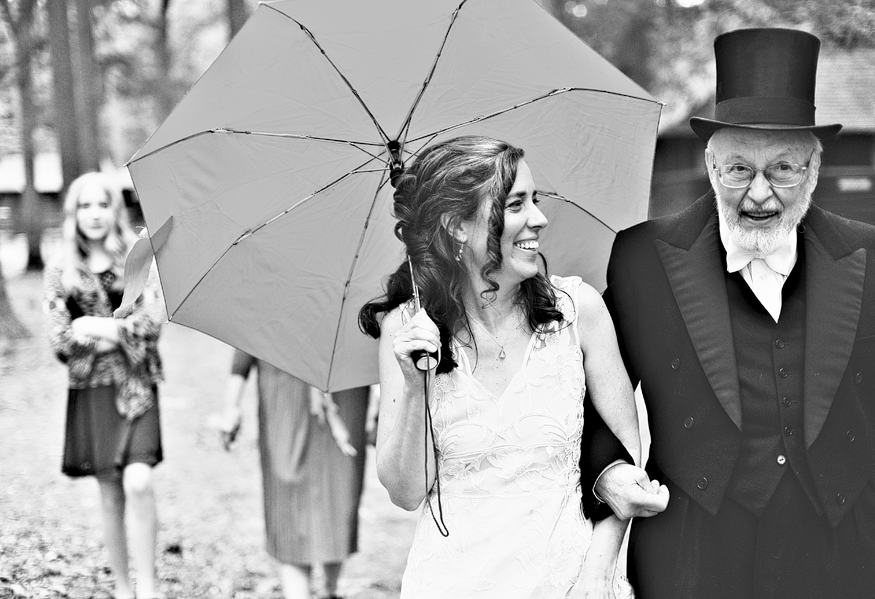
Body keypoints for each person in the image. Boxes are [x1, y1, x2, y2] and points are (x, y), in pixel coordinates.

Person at [585, 28, 875, 599]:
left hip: (844, 554)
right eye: (740, 169)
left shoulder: (869, 255)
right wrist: (608, 472)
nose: (760, 195)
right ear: (711, 166)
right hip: (693, 556)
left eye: (784, 170)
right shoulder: (643, 257)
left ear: (813, 169)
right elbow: (591, 395)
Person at [358, 135, 657, 598]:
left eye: (534, 200)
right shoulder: (406, 330)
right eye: (515, 204)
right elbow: (405, 492)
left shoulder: (580, 312)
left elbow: (626, 457)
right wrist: (415, 387)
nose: (538, 218)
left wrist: (598, 573)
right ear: (457, 226)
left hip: (573, 581)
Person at [43, 171, 165, 599]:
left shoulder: (134, 260)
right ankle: (122, 586)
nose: (93, 214)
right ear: (72, 214)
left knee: (138, 482)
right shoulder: (61, 270)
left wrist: (93, 326)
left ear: (113, 210)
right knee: (110, 493)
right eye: (84, 205)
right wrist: (119, 330)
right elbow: (61, 342)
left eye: (101, 204)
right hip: (91, 392)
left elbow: (151, 324)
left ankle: (149, 586)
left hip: (138, 387)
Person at [218, 349, 370, 599]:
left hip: (343, 383)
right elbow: (247, 335)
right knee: (287, 489)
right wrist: (231, 404)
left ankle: (330, 589)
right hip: (283, 383)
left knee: (340, 491)